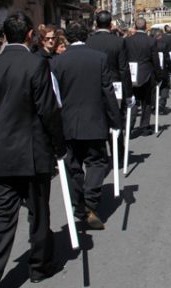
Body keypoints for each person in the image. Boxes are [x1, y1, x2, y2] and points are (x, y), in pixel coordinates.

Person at [0, 12, 66, 287]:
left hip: (1, 153)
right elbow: (49, 110)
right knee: (38, 211)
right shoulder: (37, 65)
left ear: (3, 37)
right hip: (33, 152)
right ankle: (39, 265)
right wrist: (59, 146)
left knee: (1, 215)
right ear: (29, 35)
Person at [51, 22, 122, 231]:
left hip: (67, 123)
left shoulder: (57, 62)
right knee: (97, 162)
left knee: (73, 166)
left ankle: (79, 202)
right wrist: (115, 121)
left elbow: (53, 97)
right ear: (86, 35)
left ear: (67, 38)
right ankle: (89, 202)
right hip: (94, 120)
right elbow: (107, 91)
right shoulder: (99, 58)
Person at [123, 17, 161, 135]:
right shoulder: (151, 41)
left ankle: (129, 126)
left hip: (131, 73)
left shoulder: (127, 41)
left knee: (132, 100)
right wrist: (159, 76)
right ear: (146, 27)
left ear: (134, 26)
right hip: (147, 74)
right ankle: (144, 126)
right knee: (147, 101)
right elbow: (155, 60)